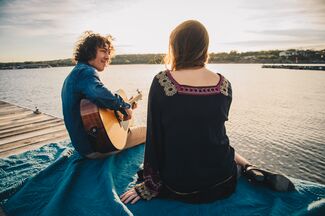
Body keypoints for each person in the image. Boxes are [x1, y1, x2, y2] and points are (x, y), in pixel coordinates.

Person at [120, 20, 294, 204]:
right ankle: (249, 167)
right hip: (223, 181)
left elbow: (154, 137)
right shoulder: (224, 84)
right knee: (215, 140)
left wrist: (149, 185)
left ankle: (248, 167)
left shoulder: (163, 81)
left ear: (175, 47)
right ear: (204, 47)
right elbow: (210, 130)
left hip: (181, 185)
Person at [61, 31, 146, 159]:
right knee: (149, 131)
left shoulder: (75, 73)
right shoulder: (86, 72)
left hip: (83, 147)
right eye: (103, 51)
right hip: (97, 148)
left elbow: (97, 103)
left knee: (129, 123)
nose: (107, 57)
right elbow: (99, 94)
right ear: (89, 52)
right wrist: (124, 106)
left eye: (108, 52)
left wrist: (124, 109)